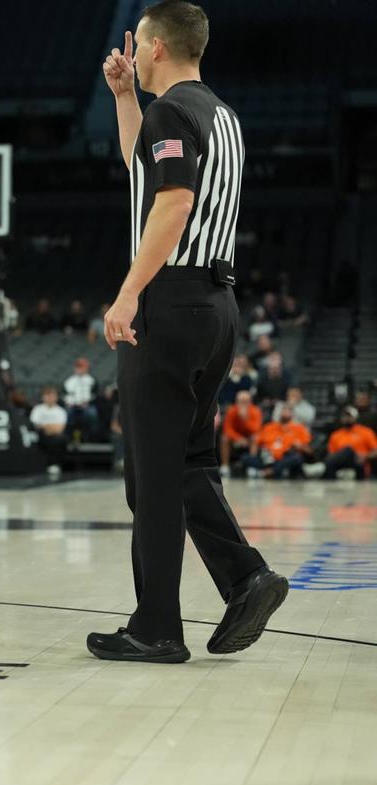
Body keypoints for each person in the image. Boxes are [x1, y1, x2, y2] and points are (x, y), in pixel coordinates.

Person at [94, 1, 287, 663]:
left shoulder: (173, 112)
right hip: (217, 306)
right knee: (184, 462)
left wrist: (128, 292)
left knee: (151, 474)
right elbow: (144, 171)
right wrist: (124, 98)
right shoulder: (220, 115)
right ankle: (245, 577)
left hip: (170, 304)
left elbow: (171, 204)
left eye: (138, 48)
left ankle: (156, 626)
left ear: (153, 45)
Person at [303, 406, 377, 480]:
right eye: (344, 416)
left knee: (348, 450)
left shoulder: (366, 432)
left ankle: (321, 467)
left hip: (358, 463)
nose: (347, 419)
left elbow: (376, 451)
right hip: (339, 464)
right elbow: (331, 455)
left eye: (349, 416)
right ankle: (324, 472)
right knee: (335, 461)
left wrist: (366, 456)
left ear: (355, 418)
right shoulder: (336, 435)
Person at [244, 405, 312, 479]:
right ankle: (272, 470)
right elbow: (256, 442)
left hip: (285, 457)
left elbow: (308, 450)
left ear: (292, 414)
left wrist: (299, 446)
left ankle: (269, 472)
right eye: (283, 410)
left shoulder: (299, 428)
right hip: (268, 458)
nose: (285, 413)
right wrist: (254, 454)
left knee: (296, 459)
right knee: (246, 458)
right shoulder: (269, 427)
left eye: (288, 411)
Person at [219, 390, 262, 477]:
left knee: (255, 438)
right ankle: (225, 466)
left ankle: (252, 466)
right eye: (241, 401)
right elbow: (227, 429)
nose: (243, 404)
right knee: (224, 438)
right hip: (235, 438)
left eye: (246, 401)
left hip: (249, 437)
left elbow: (256, 429)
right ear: (236, 402)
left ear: (250, 402)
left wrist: (245, 419)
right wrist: (238, 438)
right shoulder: (232, 411)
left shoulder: (255, 411)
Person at [29, 386, 68, 478]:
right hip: (40, 434)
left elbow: (60, 428)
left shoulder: (60, 411)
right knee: (41, 435)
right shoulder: (37, 409)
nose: (50, 398)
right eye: (47, 396)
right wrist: (49, 427)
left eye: (52, 395)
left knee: (60, 439)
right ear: (43, 397)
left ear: (56, 397)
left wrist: (46, 426)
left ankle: (54, 464)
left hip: (55, 435)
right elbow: (35, 424)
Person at [63, 357, 99, 435]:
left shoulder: (92, 380)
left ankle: (93, 436)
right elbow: (65, 395)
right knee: (67, 414)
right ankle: (69, 436)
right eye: (78, 367)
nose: (79, 369)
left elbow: (95, 395)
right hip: (72, 405)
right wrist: (70, 403)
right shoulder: (69, 381)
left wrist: (87, 402)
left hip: (87, 405)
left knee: (92, 414)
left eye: (82, 367)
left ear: (87, 368)